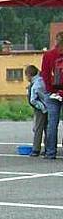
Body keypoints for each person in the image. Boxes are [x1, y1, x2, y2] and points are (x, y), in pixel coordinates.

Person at [40, 31, 63, 159]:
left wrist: (51, 91)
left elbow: (45, 74)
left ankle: (50, 152)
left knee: (52, 123)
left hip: (52, 93)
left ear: (56, 40)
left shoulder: (48, 55)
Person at [25, 65, 47, 157]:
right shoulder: (42, 80)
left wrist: (42, 108)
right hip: (49, 106)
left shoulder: (35, 84)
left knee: (38, 129)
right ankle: (48, 148)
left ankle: (36, 149)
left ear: (29, 75)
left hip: (41, 109)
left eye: (26, 76)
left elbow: (33, 100)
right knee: (48, 129)